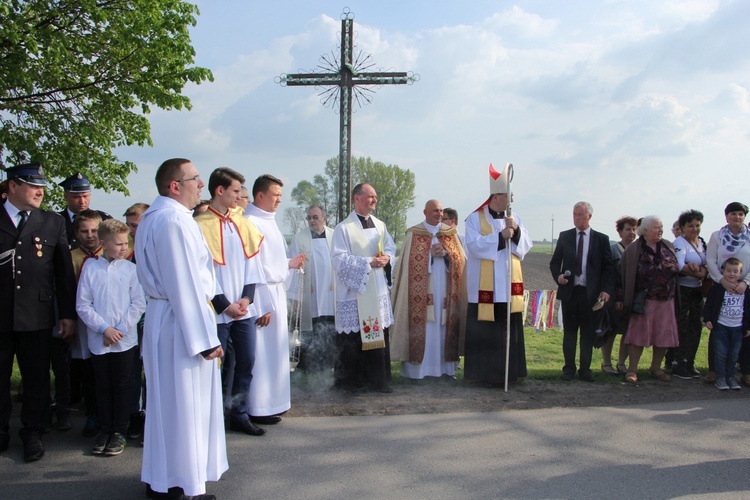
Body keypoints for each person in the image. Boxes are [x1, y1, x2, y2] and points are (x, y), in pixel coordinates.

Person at [135, 158, 227, 499]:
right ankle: (184, 486)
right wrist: (204, 340)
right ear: (175, 186)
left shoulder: (154, 218)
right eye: (195, 179)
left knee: (168, 407)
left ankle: (164, 479)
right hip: (180, 323)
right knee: (185, 407)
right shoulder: (174, 221)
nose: (200, 185)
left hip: (167, 318)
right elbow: (184, 285)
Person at [0, 162, 76, 462]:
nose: (40, 191)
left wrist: (67, 314)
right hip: (1, 314)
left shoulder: (51, 222)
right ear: (13, 186)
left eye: (41, 186)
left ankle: (32, 431)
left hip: (37, 314)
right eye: (32, 185)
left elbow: (63, 273)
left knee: (36, 378)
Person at [195, 167, 270, 436]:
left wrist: (247, 299)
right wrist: (224, 304)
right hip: (217, 310)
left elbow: (253, 264)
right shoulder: (200, 226)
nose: (240, 197)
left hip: (243, 309)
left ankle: (238, 412)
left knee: (247, 360)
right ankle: (212, 418)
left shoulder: (242, 222)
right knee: (217, 364)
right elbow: (202, 274)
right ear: (220, 191)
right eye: (236, 191)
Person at [76, 219, 146, 456]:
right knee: (103, 386)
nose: (123, 248)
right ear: (103, 244)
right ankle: (105, 429)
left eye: (126, 243)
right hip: (100, 339)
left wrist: (120, 330)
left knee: (123, 385)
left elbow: (138, 304)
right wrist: (105, 329)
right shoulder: (90, 268)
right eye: (118, 244)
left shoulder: (131, 270)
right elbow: (83, 305)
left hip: (124, 340)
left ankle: (120, 430)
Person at [464, 164, 532, 387]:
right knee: (485, 332)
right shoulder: (474, 219)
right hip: (485, 290)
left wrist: (517, 232)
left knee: (508, 330)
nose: (512, 199)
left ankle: (509, 374)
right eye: (509, 195)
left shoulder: (515, 218)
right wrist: (501, 237)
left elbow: (525, 247)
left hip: (507, 289)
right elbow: (473, 246)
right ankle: (483, 376)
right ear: (497, 196)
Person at [244, 174, 304, 424]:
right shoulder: (251, 222)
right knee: (262, 354)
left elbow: (273, 263)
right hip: (263, 295)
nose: (280, 199)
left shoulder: (269, 221)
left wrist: (289, 265)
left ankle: (274, 402)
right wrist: (262, 305)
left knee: (276, 353)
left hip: (275, 292)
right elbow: (253, 268)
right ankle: (258, 407)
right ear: (260, 195)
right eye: (275, 194)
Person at [331, 183, 396, 393]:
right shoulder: (343, 228)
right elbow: (339, 260)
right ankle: (351, 382)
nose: (374, 200)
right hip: (355, 292)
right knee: (352, 338)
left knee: (377, 333)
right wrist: (368, 262)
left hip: (376, 291)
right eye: (370, 197)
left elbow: (390, 248)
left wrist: (388, 258)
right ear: (356, 199)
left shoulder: (380, 225)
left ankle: (377, 381)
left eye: (375, 196)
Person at [391, 199, 466, 380]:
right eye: (435, 211)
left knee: (443, 324)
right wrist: (429, 256)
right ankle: (417, 371)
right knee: (424, 326)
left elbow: (461, 259)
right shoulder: (414, 233)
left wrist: (447, 255)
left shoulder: (450, 233)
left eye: (441, 211)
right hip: (420, 291)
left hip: (446, 289)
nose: (439, 214)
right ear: (425, 212)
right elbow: (408, 264)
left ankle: (446, 370)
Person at [550, 202, 615, 382]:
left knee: (587, 333)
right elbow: (555, 263)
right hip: (570, 293)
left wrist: (606, 290)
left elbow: (609, 268)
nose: (577, 217)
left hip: (591, 295)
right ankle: (568, 369)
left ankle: (585, 370)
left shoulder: (601, 239)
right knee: (570, 333)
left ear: (589, 217)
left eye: (581, 214)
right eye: (574, 214)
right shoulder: (565, 236)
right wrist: (559, 277)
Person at [616, 216, 680, 384]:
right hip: (644, 301)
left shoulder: (668, 246)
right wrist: (621, 297)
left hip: (666, 300)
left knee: (663, 336)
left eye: (661, 227)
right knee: (637, 337)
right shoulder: (633, 250)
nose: (660, 230)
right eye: (657, 227)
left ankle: (656, 368)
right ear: (645, 231)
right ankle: (632, 370)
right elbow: (621, 274)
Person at [706, 202, 750, 386]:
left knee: (744, 331)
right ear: (726, 216)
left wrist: (745, 282)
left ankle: (743, 371)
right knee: (718, 329)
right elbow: (710, 259)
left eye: (741, 214)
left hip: (745, 287)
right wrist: (722, 280)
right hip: (720, 285)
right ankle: (714, 371)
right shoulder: (717, 236)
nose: (737, 217)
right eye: (733, 213)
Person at [69, 210, 104, 437]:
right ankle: (93, 412)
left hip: (110, 322)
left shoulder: (112, 254)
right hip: (83, 322)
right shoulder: (70, 257)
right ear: (77, 233)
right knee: (88, 370)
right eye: (84, 231)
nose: (90, 235)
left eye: (94, 230)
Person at [289, 205, 336, 373]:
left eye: (315, 217)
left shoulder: (335, 235)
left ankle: (329, 365)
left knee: (330, 328)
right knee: (311, 328)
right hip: (310, 294)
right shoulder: (299, 238)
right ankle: (309, 367)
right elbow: (293, 269)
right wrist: (295, 296)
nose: (311, 221)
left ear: (325, 218)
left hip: (331, 294)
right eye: (309, 218)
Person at [671, 209, 709, 380]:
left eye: (697, 225)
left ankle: (690, 362)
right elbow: (679, 266)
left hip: (698, 292)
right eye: (690, 226)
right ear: (683, 227)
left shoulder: (702, 243)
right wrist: (700, 273)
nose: (694, 229)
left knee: (696, 326)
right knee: (682, 326)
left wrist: (700, 270)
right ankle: (678, 363)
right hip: (683, 291)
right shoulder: (680, 242)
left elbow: (709, 264)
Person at [122, 202, 149, 441]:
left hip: (151, 315)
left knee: (151, 370)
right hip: (130, 318)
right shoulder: (124, 250)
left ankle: (150, 417)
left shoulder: (151, 245)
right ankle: (133, 416)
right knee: (132, 370)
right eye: (130, 225)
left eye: (137, 225)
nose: (133, 231)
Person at [702, 258, 750, 390]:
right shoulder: (717, 288)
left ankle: (731, 378)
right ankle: (721, 378)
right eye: (728, 271)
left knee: (733, 355)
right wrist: (708, 319)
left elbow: (748, 309)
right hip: (721, 327)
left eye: (735, 271)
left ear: (740, 273)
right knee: (721, 354)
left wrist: (748, 327)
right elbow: (709, 306)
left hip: (737, 328)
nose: (732, 274)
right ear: (723, 271)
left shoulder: (744, 289)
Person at [601, 216, 637, 375]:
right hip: (616, 299)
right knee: (611, 331)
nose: (632, 232)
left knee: (628, 332)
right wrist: (617, 298)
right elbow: (611, 275)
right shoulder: (613, 250)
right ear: (620, 232)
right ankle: (606, 363)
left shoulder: (638, 250)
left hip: (633, 299)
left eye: (634, 229)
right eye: (628, 229)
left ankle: (622, 363)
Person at [57, 172, 112, 249]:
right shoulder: (55, 220)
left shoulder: (103, 219)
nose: (82, 201)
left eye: (85, 196)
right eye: (76, 197)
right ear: (66, 196)